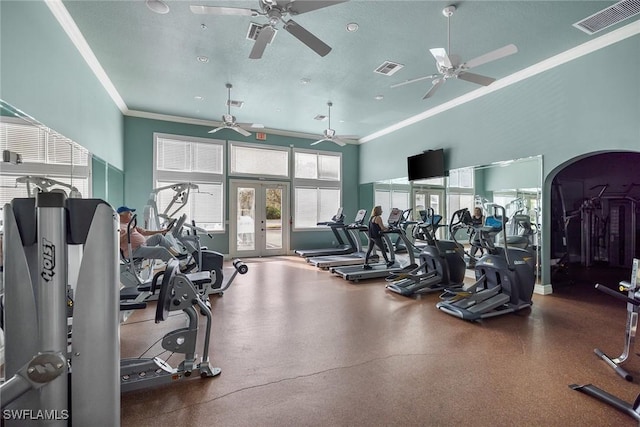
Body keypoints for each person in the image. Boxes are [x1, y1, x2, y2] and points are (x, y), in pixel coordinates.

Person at [363, 205, 394, 270]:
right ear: (378, 211)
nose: (382, 211)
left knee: (369, 250)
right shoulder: (378, 218)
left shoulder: (371, 218)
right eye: (381, 210)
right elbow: (382, 228)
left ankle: (365, 264)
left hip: (371, 236)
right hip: (376, 237)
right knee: (383, 249)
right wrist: (389, 228)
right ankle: (387, 262)